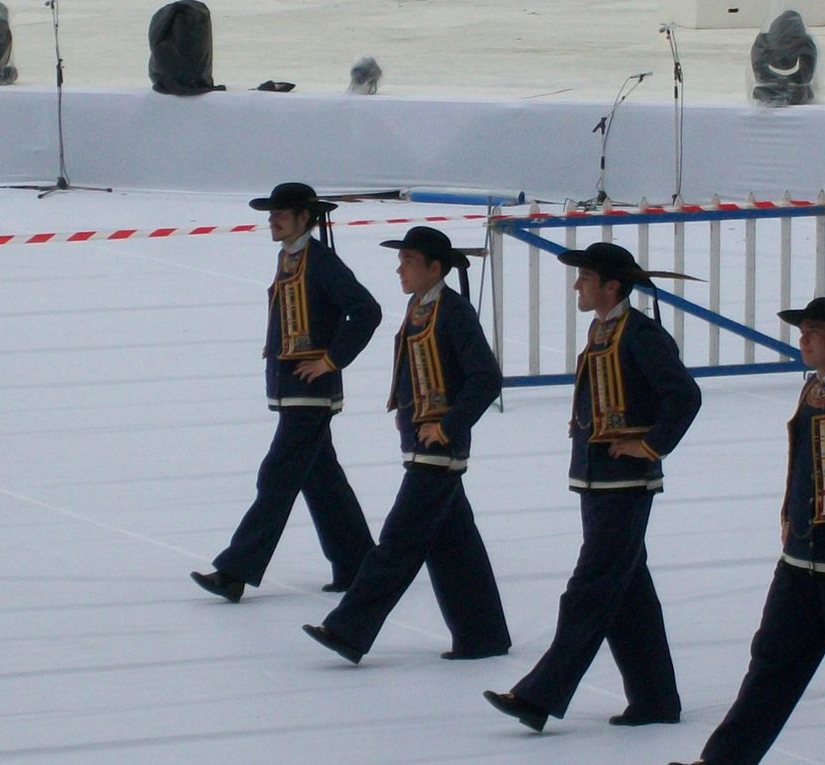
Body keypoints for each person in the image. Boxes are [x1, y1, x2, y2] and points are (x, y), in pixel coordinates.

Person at [670, 296, 825, 765]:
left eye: (815, 333)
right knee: (770, 665)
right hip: (800, 563)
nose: (803, 340)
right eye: (802, 331)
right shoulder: (814, 390)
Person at [484, 242, 701, 732]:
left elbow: (684, 395)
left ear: (611, 285)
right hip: (598, 480)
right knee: (627, 594)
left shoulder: (641, 335)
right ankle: (655, 700)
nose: (577, 285)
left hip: (624, 484)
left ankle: (539, 696)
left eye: (585, 278)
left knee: (588, 591)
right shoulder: (606, 328)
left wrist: (651, 446)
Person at [302, 226, 510, 663]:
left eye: (410, 261)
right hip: (420, 443)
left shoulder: (453, 312)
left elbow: (486, 377)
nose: (400, 269)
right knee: (454, 543)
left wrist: (449, 427)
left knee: (397, 543)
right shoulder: (420, 308)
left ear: (436, 268)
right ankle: (482, 633)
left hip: (438, 449)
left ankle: (349, 630)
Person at [191, 182, 380, 602]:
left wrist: (331, 360)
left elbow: (366, 310)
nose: (272, 219)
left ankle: (235, 570)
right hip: (292, 388)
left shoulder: (323, 262)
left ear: (304, 219)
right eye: (272, 212)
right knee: (322, 480)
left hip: (310, 393)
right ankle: (358, 562)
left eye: (282, 212)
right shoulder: (291, 258)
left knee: (276, 477)